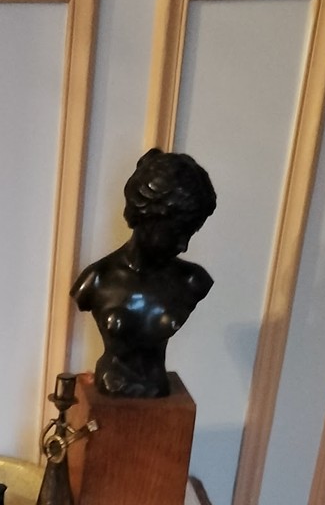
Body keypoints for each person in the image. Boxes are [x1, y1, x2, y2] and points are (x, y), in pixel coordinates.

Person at [71, 149, 217, 398]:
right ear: (147, 217)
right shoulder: (96, 279)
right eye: (176, 232)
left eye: (190, 233)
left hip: (158, 387)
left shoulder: (193, 281)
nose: (184, 245)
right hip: (110, 385)